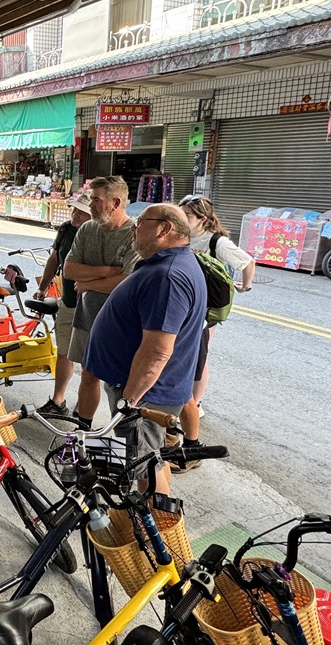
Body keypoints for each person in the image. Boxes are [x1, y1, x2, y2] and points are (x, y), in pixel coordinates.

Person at [84, 204, 206, 495]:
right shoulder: (167, 265)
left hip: (144, 397)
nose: (134, 228)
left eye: (141, 222)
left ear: (165, 228)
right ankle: (149, 515)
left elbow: (157, 353)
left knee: (145, 469)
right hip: (145, 393)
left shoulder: (168, 276)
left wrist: (129, 402)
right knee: (151, 459)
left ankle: (155, 522)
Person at [169, 194, 256, 472]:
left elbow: (247, 262)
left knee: (198, 355)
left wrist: (245, 286)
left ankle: (194, 403)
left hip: (206, 308)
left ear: (203, 219)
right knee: (192, 353)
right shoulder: (183, 236)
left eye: (187, 216)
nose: (182, 220)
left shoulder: (217, 242)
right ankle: (191, 404)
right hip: (186, 304)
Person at [49, 176, 139, 424]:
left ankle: (126, 435)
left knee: (120, 383)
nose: (90, 205)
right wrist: (109, 271)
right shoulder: (87, 229)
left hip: (120, 323)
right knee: (88, 375)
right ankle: (83, 429)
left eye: (96, 199)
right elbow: (69, 270)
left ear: (116, 202)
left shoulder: (133, 234)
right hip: (87, 316)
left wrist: (88, 284)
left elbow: (127, 282)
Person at [34, 192, 92, 415]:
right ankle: (58, 401)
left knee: (88, 360)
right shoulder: (66, 229)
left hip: (91, 306)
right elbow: (55, 258)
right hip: (68, 301)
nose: (75, 214)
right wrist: (43, 287)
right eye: (74, 209)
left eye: (81, 211)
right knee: (64, 352)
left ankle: (84, 407)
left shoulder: (98, 234)